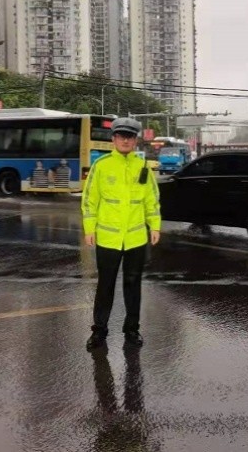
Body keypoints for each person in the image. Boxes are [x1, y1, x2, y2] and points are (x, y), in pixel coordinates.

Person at [82, 118, 161, 350]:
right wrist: (89, 228)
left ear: (136, 140)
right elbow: (90, 200)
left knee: (132, 284)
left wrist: (154, 225)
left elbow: (151, 199)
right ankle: (99, 331)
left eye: (130, 136)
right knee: (105, 285)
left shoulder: (144, 167)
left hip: (136, 238)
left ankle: (132, 330)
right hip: (108, 238)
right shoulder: (102, 165)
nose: (125, 140)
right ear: (114, 139)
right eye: (121, 136)